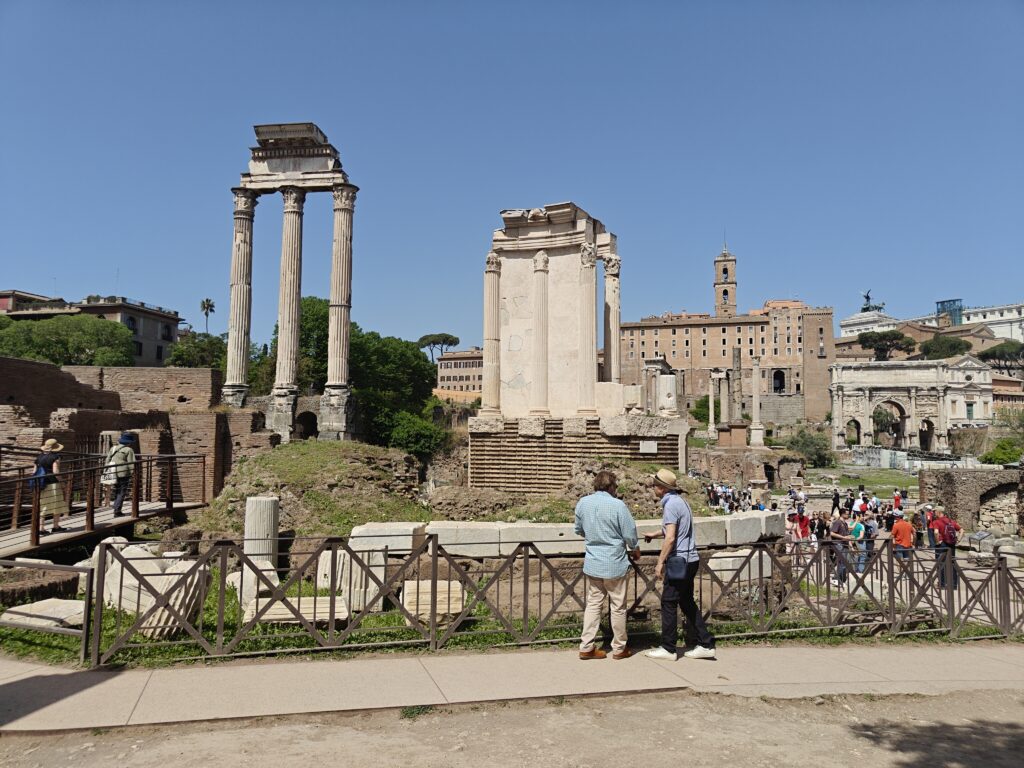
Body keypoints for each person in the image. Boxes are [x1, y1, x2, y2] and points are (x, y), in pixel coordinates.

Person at [644, 469, 716, 661]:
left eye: (654, 486)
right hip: (690, 559)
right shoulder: (680, 502)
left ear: (661, 488)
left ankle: (668, 648)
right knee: (686, 602)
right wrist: (654, 533)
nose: (652, 489)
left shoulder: (670, 505)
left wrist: (660, 562)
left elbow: (671, 537)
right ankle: (705, 643)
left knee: (668, 602)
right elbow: (671, 529)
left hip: (679, 561)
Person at [574, 470, 639, 660]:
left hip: (593, 562)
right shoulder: (618, 505)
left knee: (593, 604)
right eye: (616, 486)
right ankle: (619, 648)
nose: (617, 490)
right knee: (618, 606)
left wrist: (595, 537)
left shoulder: (583, 503)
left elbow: (578, 529)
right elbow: (629, 533)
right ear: (610, 486)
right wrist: (635, 548)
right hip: (615, 563)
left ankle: (586, 646)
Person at [34, 438, 65, 535]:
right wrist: (62, 482)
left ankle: (41, 528)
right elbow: (55, 471)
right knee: (57, 504)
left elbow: (34, 472)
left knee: (43, 505)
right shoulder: (55, 457)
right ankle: (55, 527)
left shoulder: (38, 457)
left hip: (41, 483)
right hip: (53, 483)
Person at [102, 432, 137, 517]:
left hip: (113, 472)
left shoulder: (113, 448)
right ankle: (117, 511)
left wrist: (106, 470)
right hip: (123, 473)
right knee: (121, 492)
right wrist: (133, 473)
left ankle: (116, 507)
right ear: (129, 442)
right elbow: (131, 463)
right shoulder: (129, 450)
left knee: (117, 491)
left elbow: (107, 460)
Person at [932, 508, 962, 590]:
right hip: (951, 545)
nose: (934, 513)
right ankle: (954, 584)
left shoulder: (936, 522)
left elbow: (936, 532)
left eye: (935, 512)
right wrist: (958, 540)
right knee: (952, 563)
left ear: (939, 512)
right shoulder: (951, 521)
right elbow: (962, 530)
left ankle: (942, 584)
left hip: (942, 544)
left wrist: (938, 541)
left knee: (941, 563)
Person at [829, 508, 853, 586]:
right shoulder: (838, 522)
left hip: (844, 544)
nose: (848, 515)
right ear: (842, 514)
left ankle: (841, 579)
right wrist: (843, 537)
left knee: (844, 562)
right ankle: (837, 579)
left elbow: (845, 535)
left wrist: (848, 538)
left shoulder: (845, 523)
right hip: (838, 544)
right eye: (847, 513)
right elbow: (832, 533)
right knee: (842, 562)